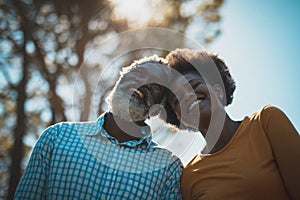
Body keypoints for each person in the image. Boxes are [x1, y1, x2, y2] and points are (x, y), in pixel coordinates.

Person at [15, 55, 183, 199]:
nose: (143, 83)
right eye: (138, 73)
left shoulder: (168, 168)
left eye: (156, 86)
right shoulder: (57, 137)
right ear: (120, 80)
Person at [162, 48, 300, 200]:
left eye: (194, 86)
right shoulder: (188, 178)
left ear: (218, 91)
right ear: (179, 117)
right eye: (177, 99)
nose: (187, 95)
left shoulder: (265, 122)